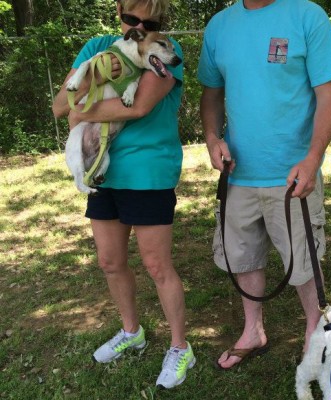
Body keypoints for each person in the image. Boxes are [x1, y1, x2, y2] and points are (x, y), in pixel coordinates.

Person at [198, 0, 331, 370]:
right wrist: (212, 138)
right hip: (237, 174)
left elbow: (329, 93)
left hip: (292, 176)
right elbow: (211, 94)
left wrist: (312, 158)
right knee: (243, 256)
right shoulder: (219, 25)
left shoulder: (306, 15)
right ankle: (253, 331)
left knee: (303, 262)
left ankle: (315, 332)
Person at [52, 0, 195, 388]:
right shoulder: (97, 47)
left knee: (157, 265)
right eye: (132, 20)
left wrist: (82, 110)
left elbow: (138, 108)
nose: (141, 29)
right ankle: (131, 332)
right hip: (103, 170)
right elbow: (59, 105)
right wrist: (85, 91)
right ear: (119, 13)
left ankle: (181, 348)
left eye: (151, 22)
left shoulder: (166, 50)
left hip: (148, 171)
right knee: (110, 262)